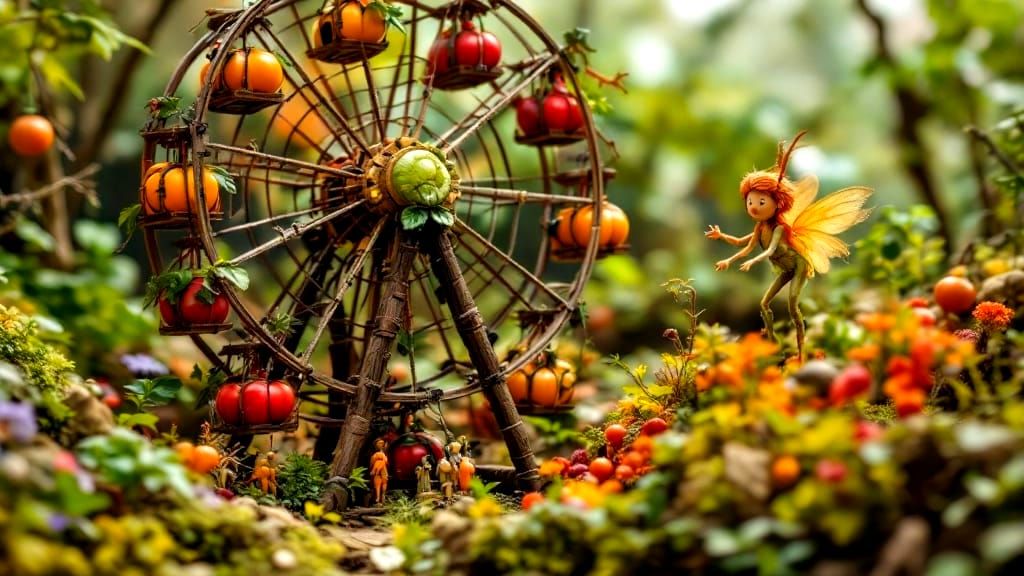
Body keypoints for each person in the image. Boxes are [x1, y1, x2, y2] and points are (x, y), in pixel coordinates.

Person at [706, 131, 872, 360]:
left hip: (798, 265)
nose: (753, 207)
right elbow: (742, 244)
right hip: (785, 269)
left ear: (777, 203)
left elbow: (771, 250)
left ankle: (801, 351)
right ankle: (772, 343)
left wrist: (752, 262)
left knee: (793, 306)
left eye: (761, 201)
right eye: (750, 201)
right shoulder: (760, 228)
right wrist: (723, 242)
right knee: (764, 303)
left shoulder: (779, 229)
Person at [370, 438, 389, 505]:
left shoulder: (384, 453)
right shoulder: (374, 454)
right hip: (376, 472)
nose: (381, 445)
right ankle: (377, 499)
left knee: (384, 483)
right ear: (375, 445)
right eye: (379, 443)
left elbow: (386, 461)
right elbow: (372, 462)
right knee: (377, 485)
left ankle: (383, 497)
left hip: (383, 470)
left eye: (382, 443)